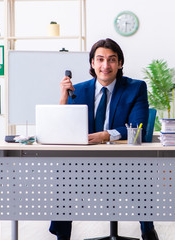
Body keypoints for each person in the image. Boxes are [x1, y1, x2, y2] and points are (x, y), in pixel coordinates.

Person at [49, 38, 159, 240]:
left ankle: (147, 231)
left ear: (120, 63)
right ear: (92, 63)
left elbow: (138, 128)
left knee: (143, 174)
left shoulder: (135, 88)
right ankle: (62, 237)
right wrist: (63, 98)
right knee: (62, 177)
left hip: (125, 165)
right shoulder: (78, 91)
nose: (105, 65)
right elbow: (62, 130)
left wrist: (105, 135)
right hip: (85, 165)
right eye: (100, 59)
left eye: (111, 60)